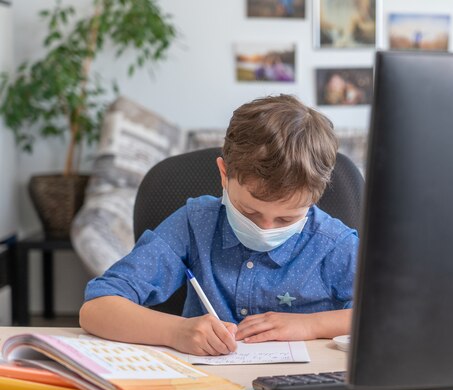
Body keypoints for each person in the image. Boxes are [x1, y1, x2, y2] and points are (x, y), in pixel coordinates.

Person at [79, 95, 358, 356]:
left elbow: (393, 316)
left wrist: (312, 325)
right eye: (249, 211)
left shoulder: (334, 244)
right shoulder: (194, 224)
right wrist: (176, 332)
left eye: (287, 219)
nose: (266, 228)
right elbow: (96, 309)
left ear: (314, 197)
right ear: (224, 173)